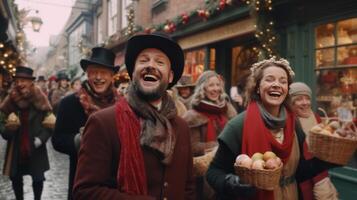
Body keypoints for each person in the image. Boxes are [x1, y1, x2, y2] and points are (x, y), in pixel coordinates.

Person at [73, 32, 195, 199]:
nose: (151, 65)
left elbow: (188, 188)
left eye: (160, 62)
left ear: (170, 76)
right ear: (133, 72)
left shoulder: (182, 127)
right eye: (143, 60)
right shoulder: (103, 122)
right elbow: (85, 192)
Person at [206, 57, 339, 200]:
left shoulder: (294, 124)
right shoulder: (238, 126)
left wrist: (325, 162)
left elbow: (298, 172)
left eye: (283, 81)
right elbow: (213, 172)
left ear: (287, 89)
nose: (277, 84)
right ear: (257, 87)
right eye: (269, 79)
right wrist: (233, 184)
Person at [51, 47, 119, 200]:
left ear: (112, 76)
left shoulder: (122, 104)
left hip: (115, 185)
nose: (98, 77)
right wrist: (79, 140)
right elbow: (57, 140)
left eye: (104, 72)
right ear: (87, 74)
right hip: (83, 182)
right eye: (94, 71)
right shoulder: (70, 103)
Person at [0, 66, 53, 200]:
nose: (20, 84)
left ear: (31, 82)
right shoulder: (10, 98)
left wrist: (41, 139)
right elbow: (1, 120)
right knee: (16, 178)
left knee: (38, 178)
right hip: (16, 145)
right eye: (17, 81)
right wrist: (8, 130)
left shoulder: (40, 97)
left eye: (23, 80)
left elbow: (50, 122)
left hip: (36, 144)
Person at [183, 70, 237, 200]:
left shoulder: (228, 110)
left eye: (218, 85)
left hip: (229, 170)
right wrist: (218, 147)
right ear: (203, 88)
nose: (216, 89)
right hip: (203, 175)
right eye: (211, 85)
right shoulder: (192, 116)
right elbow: (191, 146)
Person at [289, 82, 338, 200]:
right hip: (299, 179)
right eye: (299, 99)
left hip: (319, 172)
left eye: (307, 98)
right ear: (291, 103)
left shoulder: (315, 117)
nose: (305, 102)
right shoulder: (289, 122)